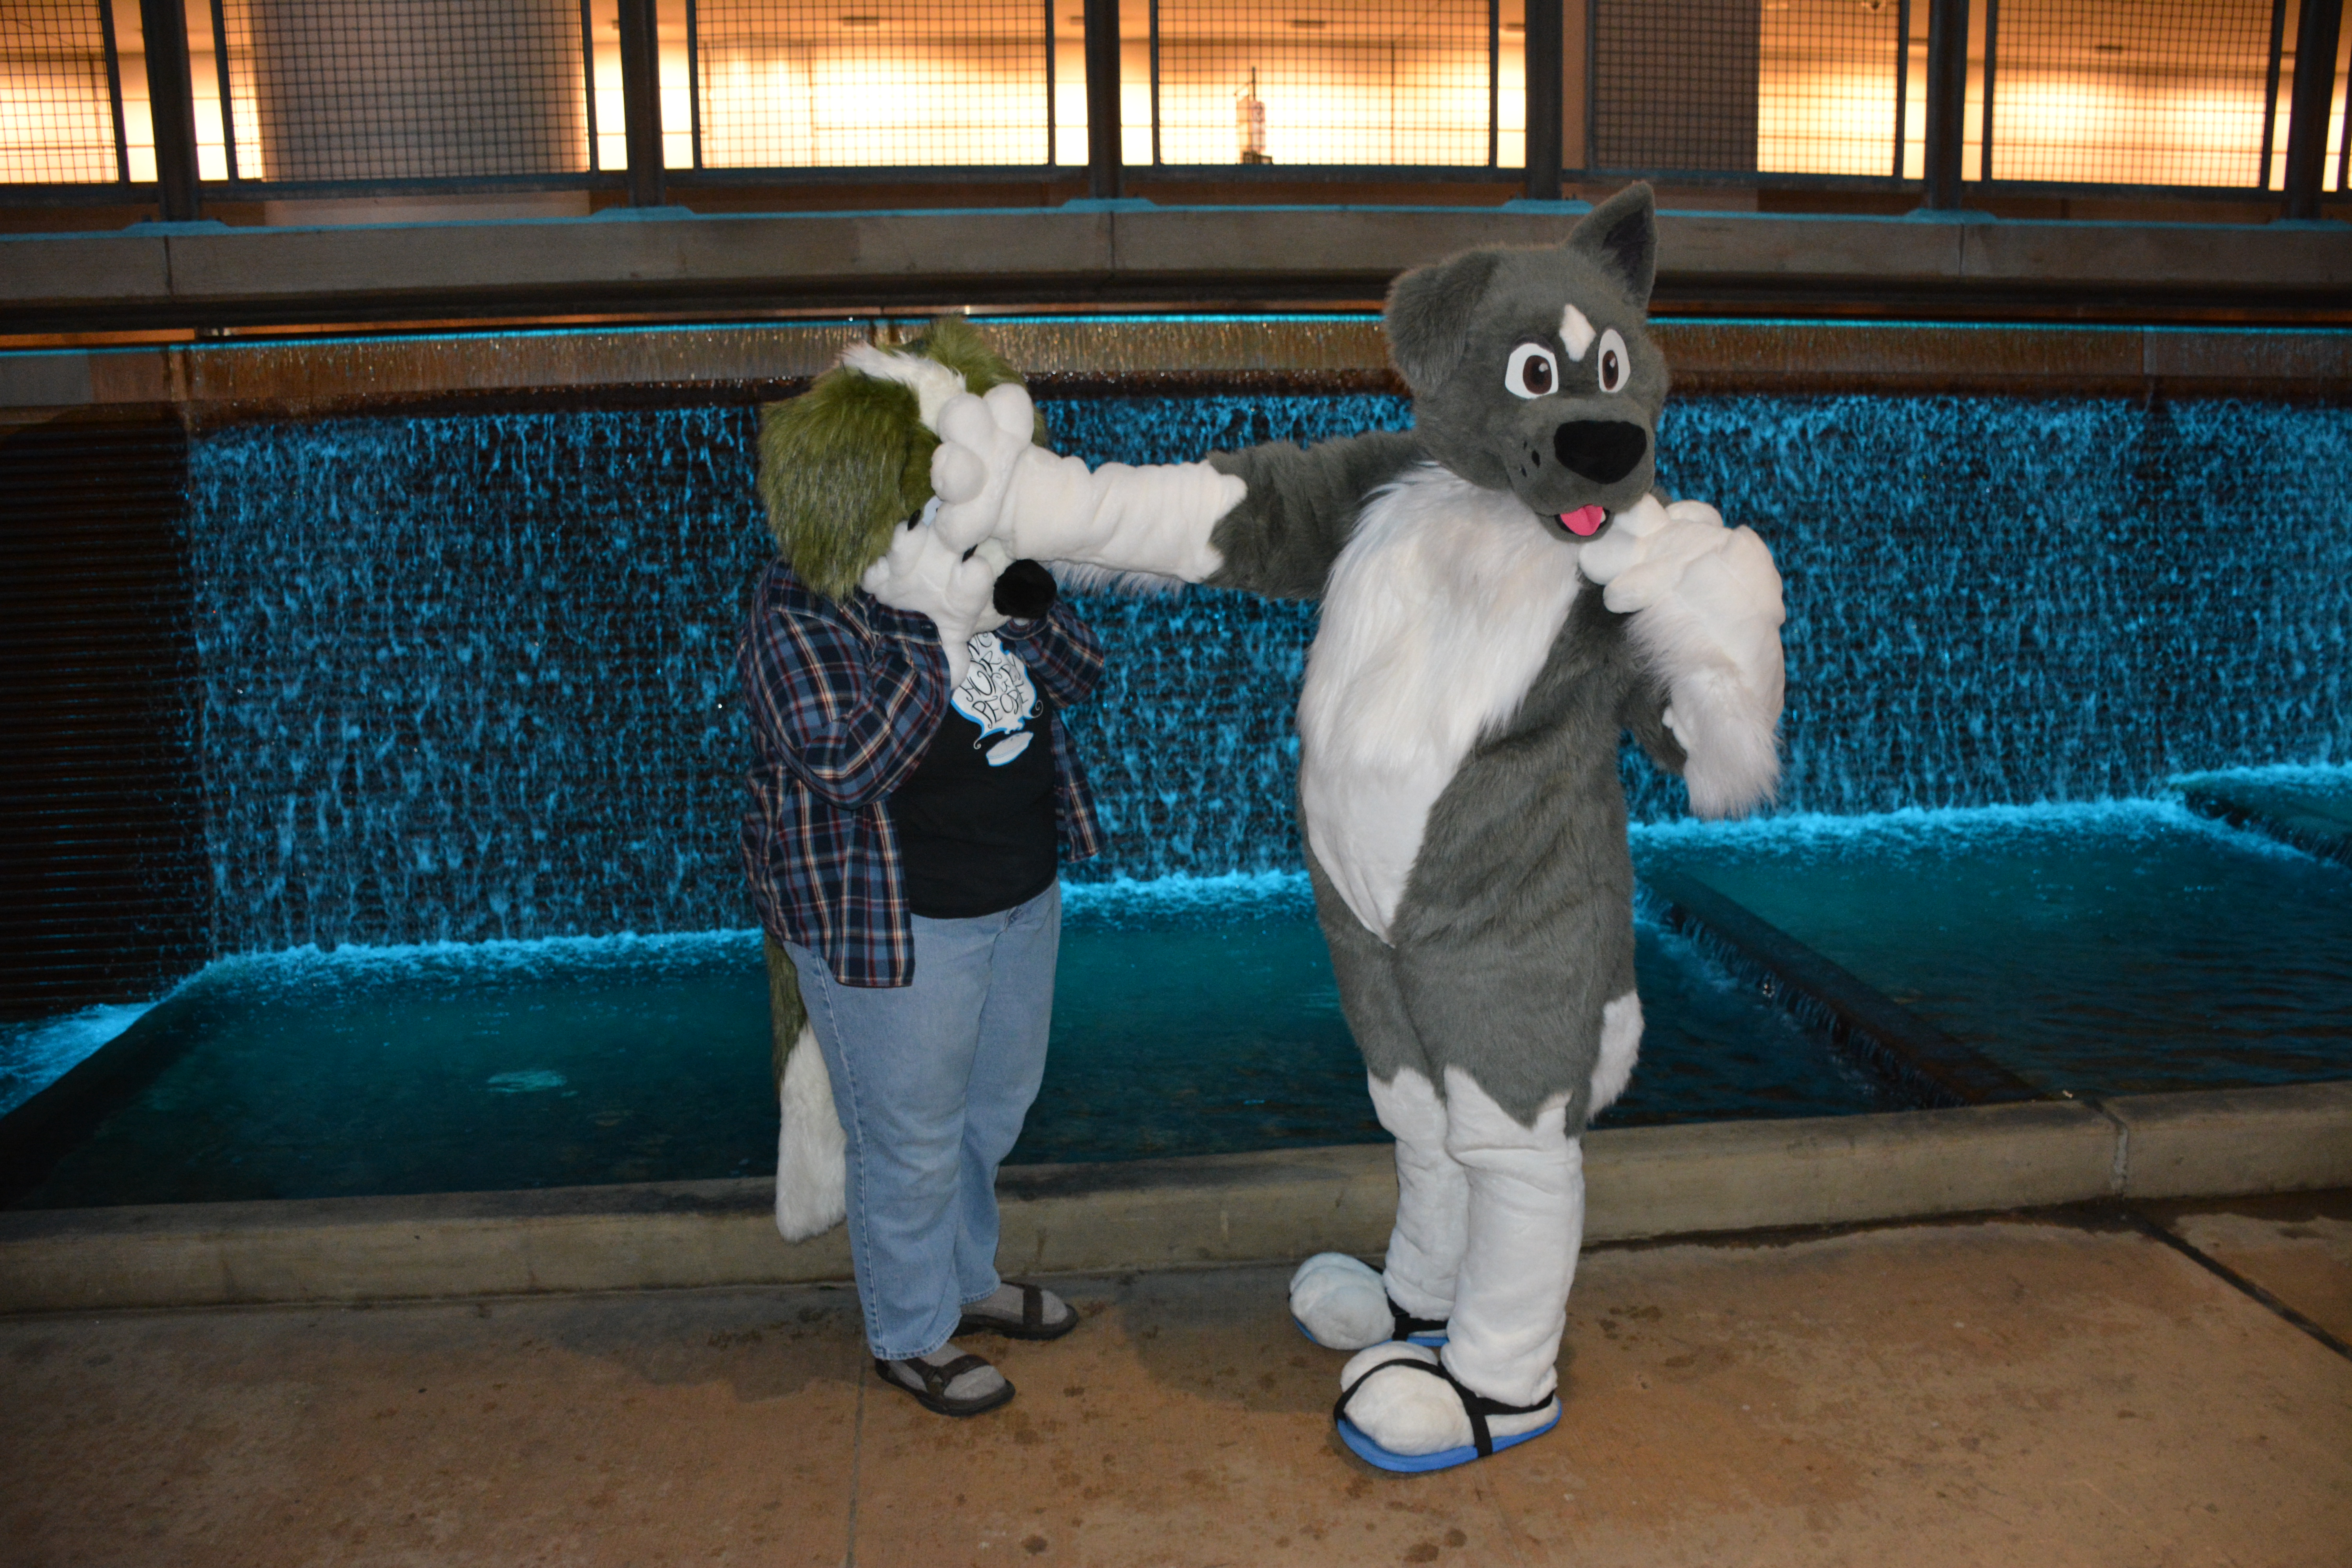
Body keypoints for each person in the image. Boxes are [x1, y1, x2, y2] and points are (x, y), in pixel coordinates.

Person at [737, 327, 1104, 1418]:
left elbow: (1083, 671)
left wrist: (1011, 597)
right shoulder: (801, 605)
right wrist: (935, 627)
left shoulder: (978, 566)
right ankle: (910, 1332)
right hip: (893, 921)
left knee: (992, 1114)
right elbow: (847, 763)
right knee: (909, 1141)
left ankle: (967, 1281)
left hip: (1020, 895)